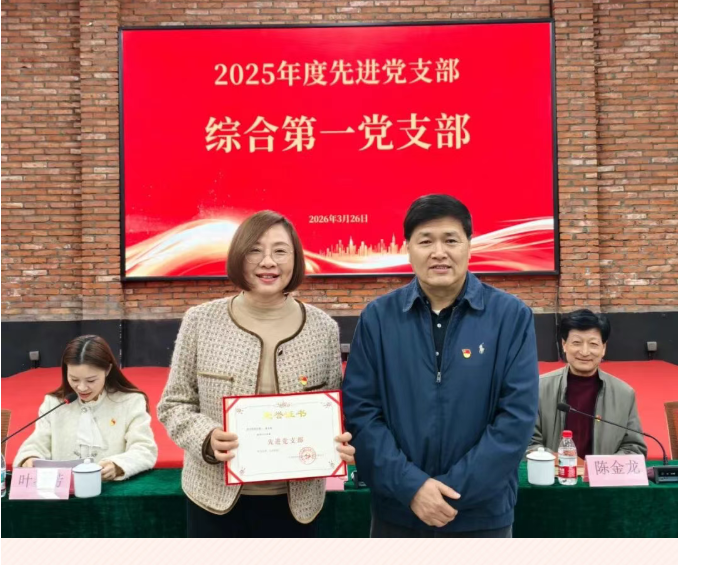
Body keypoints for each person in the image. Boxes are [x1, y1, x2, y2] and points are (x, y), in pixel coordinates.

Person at [342, 194, 539, 538]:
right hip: (398, 512)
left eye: (450, 240)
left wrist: (450, 493)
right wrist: (412, 488)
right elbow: (362, 412)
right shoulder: (378, 318)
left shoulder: (510, 316)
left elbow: (516, 417)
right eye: (425, 241)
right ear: (407, 248)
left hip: (482, 516)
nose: (439, 252)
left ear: (469, 246)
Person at [158, 210, 355, 538]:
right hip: (214, 501)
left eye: (280, 251)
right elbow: (174, 404)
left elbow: (334, 411)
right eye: (255, 250)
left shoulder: (322, 329)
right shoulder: (201, 322)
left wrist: (341, 439)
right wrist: (206, 437)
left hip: (297, 504)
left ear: (296, 259)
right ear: (239, 256)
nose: (268, 262)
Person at [13, 335, 157, 481]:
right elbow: (38, 443)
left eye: (91, 380)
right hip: (63, 490)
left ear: (107, 370)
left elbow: (144, 449)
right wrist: (30, 458)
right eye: (74, 379)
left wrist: (117, 465)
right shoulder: (54, 403)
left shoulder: (130, 402)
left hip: (111, 489)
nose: (81, 388)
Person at [528, 309, 647, 459]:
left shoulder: (624, 394)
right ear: (564, 345)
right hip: (555, 472)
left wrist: (598, 467)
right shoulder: (539, 388)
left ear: (603, 348)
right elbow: (528, 443)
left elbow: (634, 448)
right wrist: (563, 463)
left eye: (593, 344)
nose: (585, 352)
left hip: (603, 474)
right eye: (577, 343)